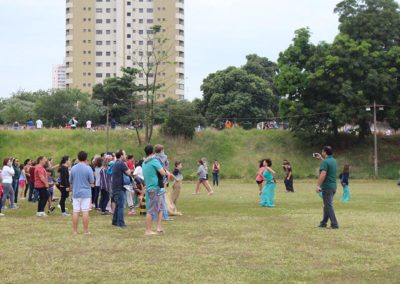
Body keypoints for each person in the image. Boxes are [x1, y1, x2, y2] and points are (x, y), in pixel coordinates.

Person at [142, 145, 167, 236]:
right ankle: (148, 231)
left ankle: (158, 227)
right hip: (155, 188)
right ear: (152, 152)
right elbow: (163, 172)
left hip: (149, 187)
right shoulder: (154, 161)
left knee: (159, 208)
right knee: (151, 210)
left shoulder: (144, 163)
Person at [70, 151, 94, 235]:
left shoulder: (73, 168)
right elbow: (92, 181)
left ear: (78, 157)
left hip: (76, 192)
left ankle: (75, 231)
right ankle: (86, 230)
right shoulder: (88, 168)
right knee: (85, 211)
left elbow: (71, 181)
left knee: (75, 211)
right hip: (86, 193)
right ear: (86, 158)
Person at [315, 146, 339, 229]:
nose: (322, 152)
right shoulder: (333, 161)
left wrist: (318, 185)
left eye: (322, 151)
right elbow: (328, 166)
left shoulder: (325, 162)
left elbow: (323, 174)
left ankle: (334, 224)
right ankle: (323, 223)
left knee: (328, 206)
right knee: (327, 205)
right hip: (333, 187)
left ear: (325, 152)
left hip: (327, 187)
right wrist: (322, 159)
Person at [111, 150, 131, 228]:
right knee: (121, 206)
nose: (126, 156)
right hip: (119, 187)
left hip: (115, 187)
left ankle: (115, 221)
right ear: (121, 155)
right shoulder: (121, 163)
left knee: (118, 204)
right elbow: (128, 172)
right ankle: (121, 223)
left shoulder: (116, 163)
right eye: (125, 154)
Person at [154, 144, 172, 221]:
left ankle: (156, 217)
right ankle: (165, 216)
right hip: (162, 178)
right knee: (161, 198)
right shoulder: (164, 157)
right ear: (161, 150)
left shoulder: (153, 158)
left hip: (156, 178)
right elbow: (166, 166)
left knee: (155, 199)